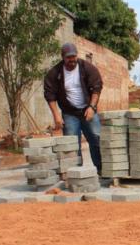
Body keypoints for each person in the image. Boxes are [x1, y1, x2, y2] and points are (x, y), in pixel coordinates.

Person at [43, 42, 103, 172]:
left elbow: (96, 88)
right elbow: (50, 95)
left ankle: (101, 170)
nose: (72, 60)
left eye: (74, 56)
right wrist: (56, 116)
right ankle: (77, 173)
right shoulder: (55, 73)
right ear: (63, 57)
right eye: (69, 57)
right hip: (69, 113)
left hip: (88, 110)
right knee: (72, 144)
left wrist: (92, 108)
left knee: (96, 139)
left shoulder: (87, 68)